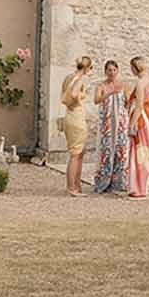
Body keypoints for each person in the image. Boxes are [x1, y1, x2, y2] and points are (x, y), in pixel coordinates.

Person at [92, 59, 131, 194]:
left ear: (117, 71)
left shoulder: (124, 85)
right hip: (107, 123)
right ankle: (103, 181)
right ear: (105, 71)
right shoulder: (101, 86)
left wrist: (126, 118)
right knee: (106, 149)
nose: (112, 72)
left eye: (114, 70)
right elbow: (96, 100)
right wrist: (109, 93)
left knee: (121, 149)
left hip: (120, 122)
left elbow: (128, 102)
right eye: (109, 70)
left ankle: (119, 181)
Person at [60, 56, 93, 197]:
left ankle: (77, 185)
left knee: (79, 153)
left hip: (69, 115)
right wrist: (80, 98)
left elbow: (64, 94)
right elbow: (73, 94)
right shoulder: (79, 80)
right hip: (76, 116)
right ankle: (72, 187)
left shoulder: (68, 77)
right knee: (75, 154)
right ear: (86, 68)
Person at [127, 55, 149, 199]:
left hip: (141, 119)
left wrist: (131, 124)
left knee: (139, 153)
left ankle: (139, 187)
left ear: (134, 68)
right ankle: (144, 183)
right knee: (145, 153)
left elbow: (138, 106)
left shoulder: (141, 83)